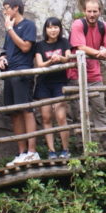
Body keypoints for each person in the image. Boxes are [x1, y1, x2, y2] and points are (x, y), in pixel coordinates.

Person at [68, 0, 106, 151]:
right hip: (76, 74)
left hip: (94, 74)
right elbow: (81, 47)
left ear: (100, 12)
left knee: (100, 108)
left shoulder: (105, 27)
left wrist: (105, 53)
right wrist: (102, 54)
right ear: (84, 11)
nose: (92, 15)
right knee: (79, 110)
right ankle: (82, 144)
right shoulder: (78, 24)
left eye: (94, 11)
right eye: (89, 11)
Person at [0, 0, 39, 166]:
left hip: (22, 72)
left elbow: (25, 46)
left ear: (15, 8)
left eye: (6, 8)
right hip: (9, 73)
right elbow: (7, 50)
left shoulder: (28, 25)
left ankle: (32, 151)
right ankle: (21, 152)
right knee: (14, 113)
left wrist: (10, 30)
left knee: (26, 110)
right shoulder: (10, 28)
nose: (4, 12)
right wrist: (1, 58)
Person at [34, 17, 73, 159]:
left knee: (61, 116)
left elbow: (68, 58)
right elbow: (39, 64)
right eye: (50, 27)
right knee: (46, 117)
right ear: (45, 29)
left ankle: (65, 149)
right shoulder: (40, 45)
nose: (53, 30)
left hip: (59, 82)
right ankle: (51, 151)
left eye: (56, 27)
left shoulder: (64, 42)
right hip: (43, 83)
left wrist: (60, 59)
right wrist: (51, 60)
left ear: (60, 29)